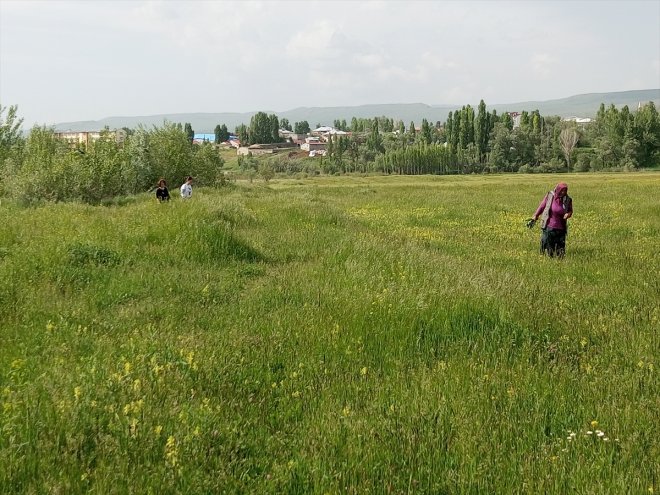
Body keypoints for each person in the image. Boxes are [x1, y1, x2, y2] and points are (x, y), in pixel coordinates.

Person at [530, 182, 573, 258]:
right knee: (549, 249)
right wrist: (535, 215)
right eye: (562, 190)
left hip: (561, 228)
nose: (563, 192)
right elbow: (542, 206)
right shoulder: (550, 196)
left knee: (560, 250)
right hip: (550, 227)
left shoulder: (568, 200)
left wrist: (568, 214)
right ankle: (548, 260)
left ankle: (560, 264)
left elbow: (570, 210)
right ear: (558, 190)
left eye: (565, 191)